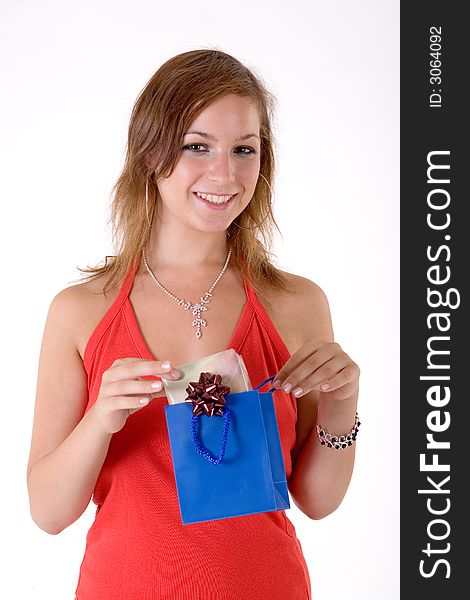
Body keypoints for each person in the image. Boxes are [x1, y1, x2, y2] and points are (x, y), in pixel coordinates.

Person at [27, 49, 360, 600]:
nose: (224, 174)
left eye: (244, 150)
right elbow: (47, 511)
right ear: (150, 152)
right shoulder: (80, 312)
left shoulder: (297, 303)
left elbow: (317, 502)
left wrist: (343, 401)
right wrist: (101, 418)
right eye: (196, 146)